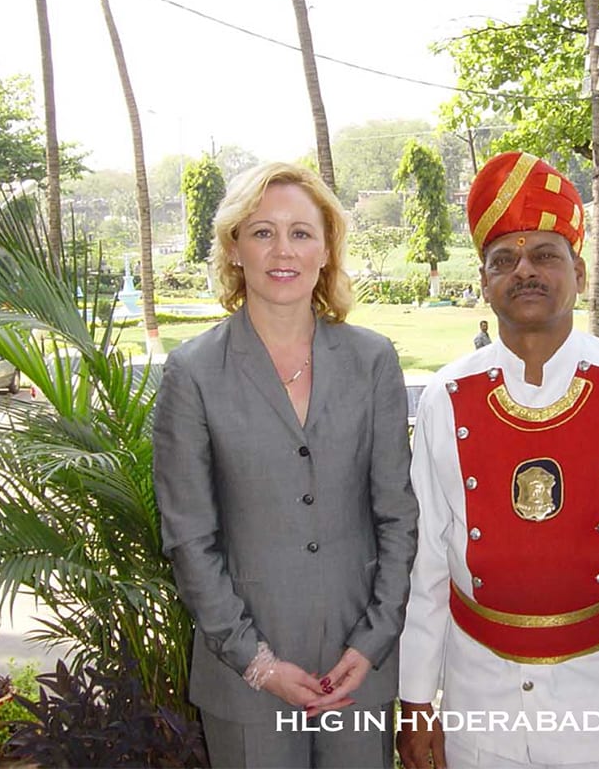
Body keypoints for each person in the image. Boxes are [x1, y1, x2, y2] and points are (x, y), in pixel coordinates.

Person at [398, 151, 599, 769]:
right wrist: (415, 702)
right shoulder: (446, 397)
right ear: (484, 282)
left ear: (580, 271)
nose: (525, 272)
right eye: (504, 260)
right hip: (475, 706)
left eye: (545, 254)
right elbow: (428, 561)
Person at [153, 162, 419, 768]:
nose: (283, 250)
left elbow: (398, 517)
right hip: (243, 676)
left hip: (358, 673)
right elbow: (190, 538)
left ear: (326, 250)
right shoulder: (192, 373)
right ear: (234, 247)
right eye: (263, 231)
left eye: (301, 233)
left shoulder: (372, 361)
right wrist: (258, 662)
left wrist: (374, 642)